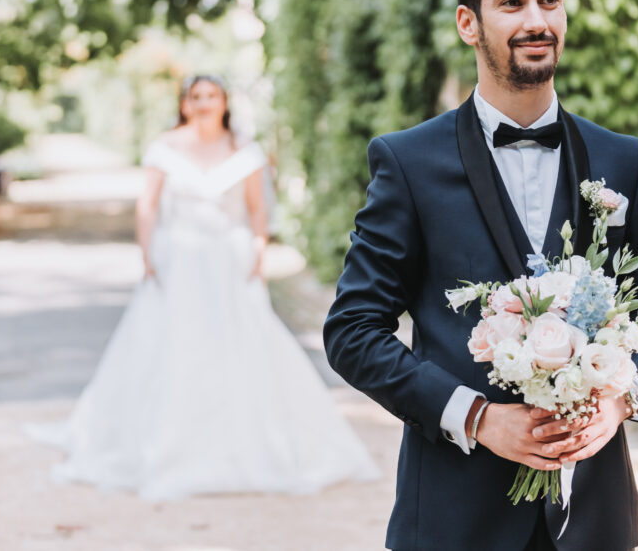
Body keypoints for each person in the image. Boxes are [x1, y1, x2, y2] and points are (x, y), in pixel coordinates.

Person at [323, 0, 638, 550]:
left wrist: (621, 402)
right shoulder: (408, 164)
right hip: (455, 520)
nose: (536, 20)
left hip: (595, 521)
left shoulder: (622, 159)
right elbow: (353, 330)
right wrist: (478, 417)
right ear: (469, 23)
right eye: (512, 3)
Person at [28, 75, 378, 500]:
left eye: (212, 95)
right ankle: (160, 443)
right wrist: (146, 250)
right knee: (169, 344)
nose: (205, 102)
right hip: (178, 259)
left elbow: (256, 209)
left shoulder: (244, 152)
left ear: (225, 102)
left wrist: (258, 249)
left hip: (228, 261)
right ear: (184, 104)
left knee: (242, 343)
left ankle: (247, 442)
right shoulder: (165, 148)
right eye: (196, 96)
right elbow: (148, 204)